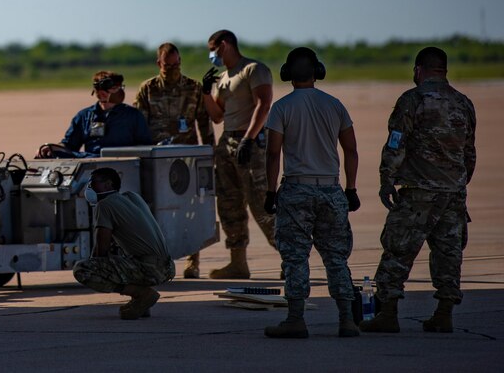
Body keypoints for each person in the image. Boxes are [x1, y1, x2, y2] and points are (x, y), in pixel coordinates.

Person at [360, 46, 476, 334]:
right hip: (453, 193)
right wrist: (457, 183)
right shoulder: (463, 103)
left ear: (418, 70)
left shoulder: (413, 100)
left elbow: (396, 143)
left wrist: (387, 179)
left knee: (398, 249)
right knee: (449, 253)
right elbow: (469, 153)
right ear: (444, 71)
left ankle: (388, 313)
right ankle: (444, 313)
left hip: (419, 192)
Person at [261, 47, 361, 339]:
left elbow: (272, 154)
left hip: (296, 189)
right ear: (318, 72)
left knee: (295, 257)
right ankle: (347, 320)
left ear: (287, 73)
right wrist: (351, 188)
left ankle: (295, 319)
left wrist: (270, 191)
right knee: (336, 258)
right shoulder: (335, 105)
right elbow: (351, 150)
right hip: (331, 188)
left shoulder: (282, 107)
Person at [201, 29, 277, 278]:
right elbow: (217, 115)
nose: (212, 54)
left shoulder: (253, 70)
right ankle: (238, 263)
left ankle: (291, 258)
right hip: (228, 142)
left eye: (213, 49)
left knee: (261, 204)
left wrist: (249, 139)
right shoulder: (224, 77)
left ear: (224, 45)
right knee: (229, 204)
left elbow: (263, 104)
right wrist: (205, 93)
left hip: (250, 142)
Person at [134, 42, 212, 278]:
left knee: (192, 209)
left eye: (177, 64)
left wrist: (210, 155)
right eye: (168, 65)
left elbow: (205, 124)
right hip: (158, 160)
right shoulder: (147, 89)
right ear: (159, 64)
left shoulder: (193, 88)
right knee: (156, 209)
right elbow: (139, 126)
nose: (173, 69)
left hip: (187, 158)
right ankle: (159, 259)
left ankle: (192, 261)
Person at [73, 167, 176, 319]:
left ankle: (142, 294)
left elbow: (100, 251)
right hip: (166, 267)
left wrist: (96, 266)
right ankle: (141, 303)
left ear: (108, 185)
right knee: (121, 253)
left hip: (149, 268)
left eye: (94, 183)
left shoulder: (105, 205)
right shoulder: (132, 197)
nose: (90, 188)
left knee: (83, 269)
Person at [38, 71, 151, 158]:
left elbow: (144, 148)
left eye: (118, 87)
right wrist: (52, 148)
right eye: (114, 88)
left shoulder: (133, 116)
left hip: (122, 165)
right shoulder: (84, 116)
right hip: (90, 165)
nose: (119, 91)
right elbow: (69, 145)